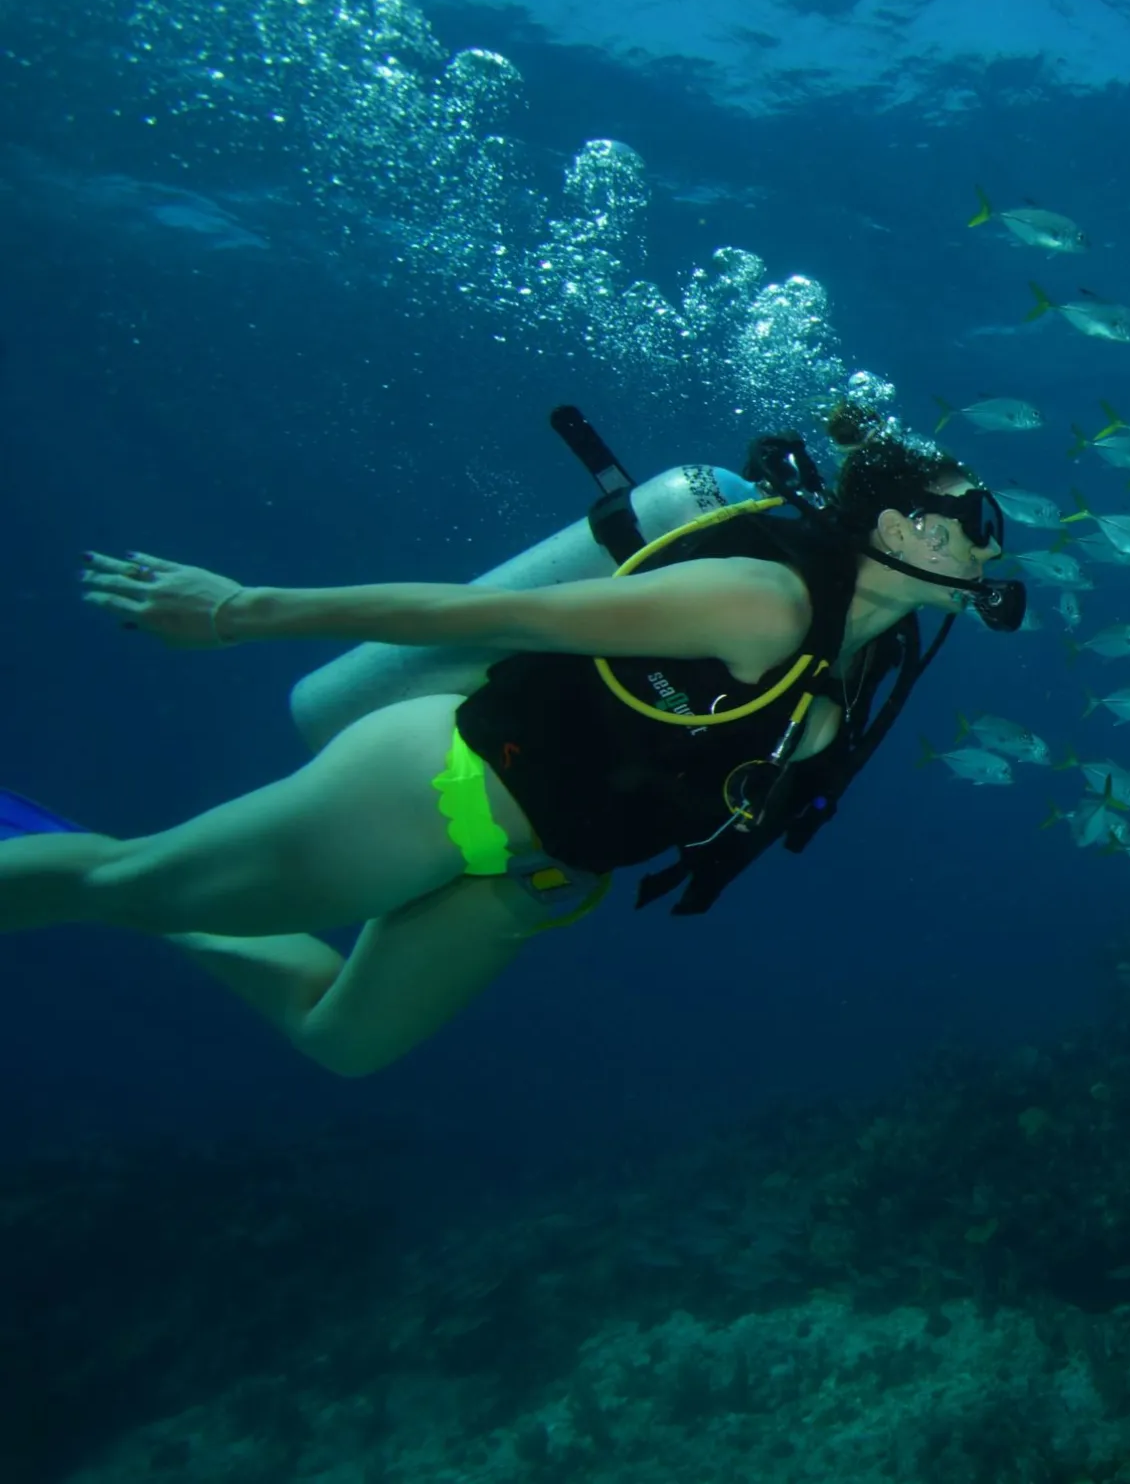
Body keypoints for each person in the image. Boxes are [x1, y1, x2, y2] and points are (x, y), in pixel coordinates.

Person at [0, 384, 1021, 1076]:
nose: (990, 540)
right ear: (906, 526)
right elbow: (482, 617)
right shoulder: (765, 601)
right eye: (978, 514)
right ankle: (89, 865)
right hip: (430, 789)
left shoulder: (869, 651)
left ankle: (124, 869)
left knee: (345, 1044)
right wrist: (235, 609)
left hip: (519, 876)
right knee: (113, 891)